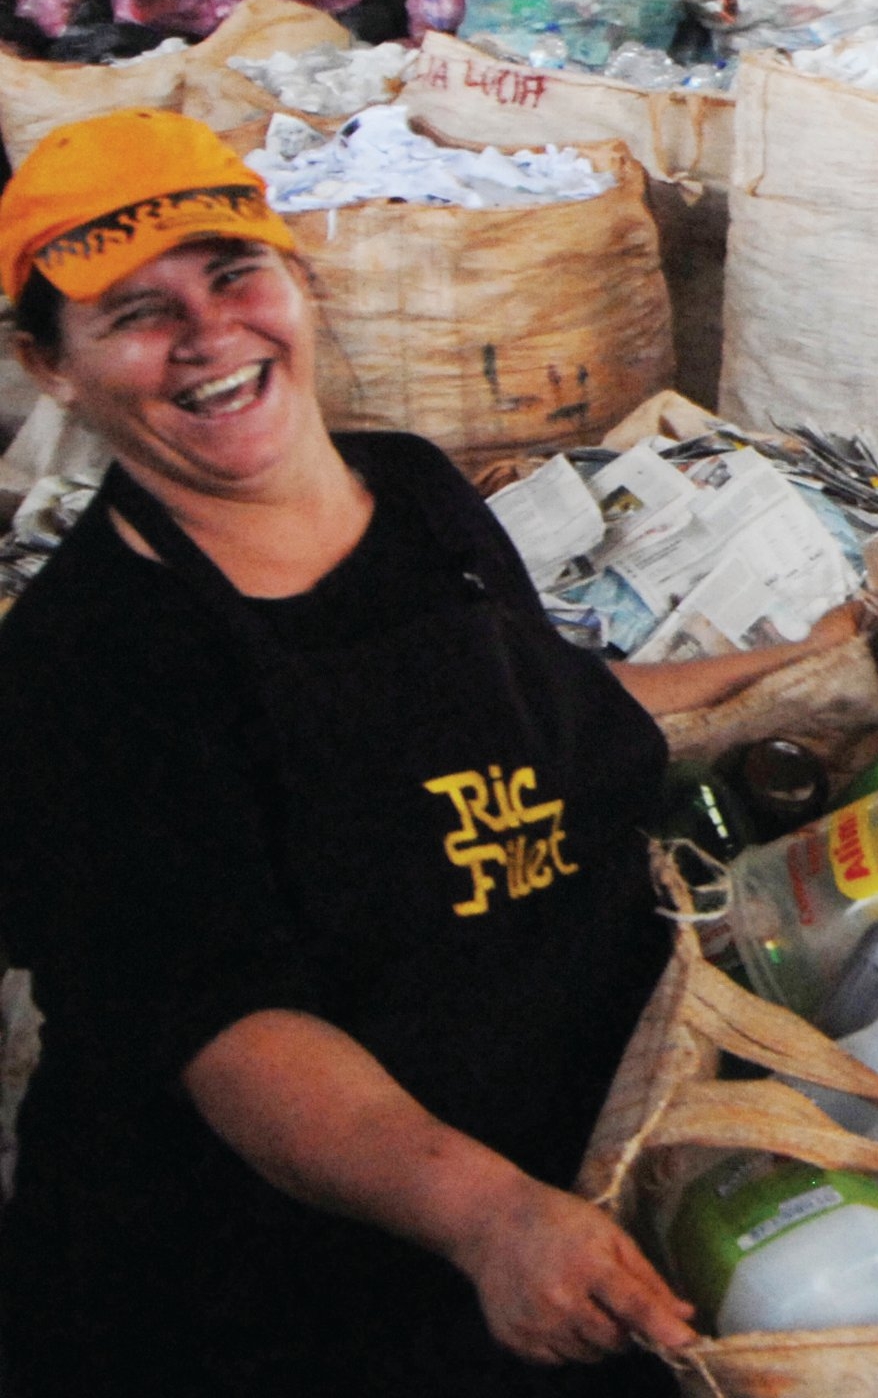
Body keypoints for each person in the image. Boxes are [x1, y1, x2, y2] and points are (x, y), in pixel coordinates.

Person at [0, 111, 822, 1394]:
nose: (209, 336)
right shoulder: (88, 662)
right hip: (295, 1289)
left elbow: (549, 713)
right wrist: (486, 1215)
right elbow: (231, 1031)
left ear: (297, 280)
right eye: (136, 314)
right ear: (50, 365)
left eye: (234, 276)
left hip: (567, 1169)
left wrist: (814, 664)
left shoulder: (415, 493)